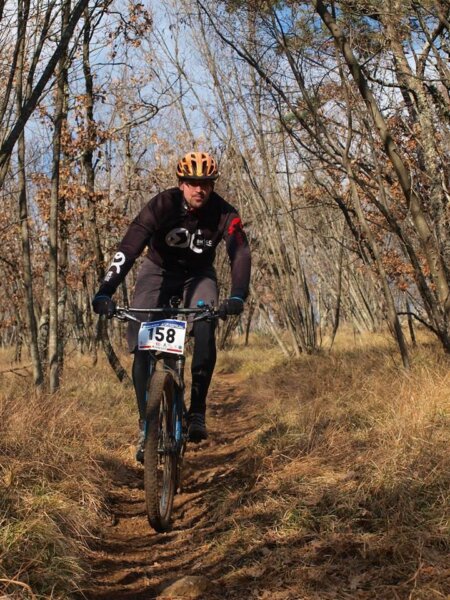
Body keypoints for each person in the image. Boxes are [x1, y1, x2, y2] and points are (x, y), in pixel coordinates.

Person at [92, 151, 251, 461]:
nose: (199, 189)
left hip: (198, 275)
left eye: (206, 183)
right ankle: (146, 427)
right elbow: (129, 247)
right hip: (158, 271)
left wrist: (237, 296)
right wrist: (105, 291)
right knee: (141, 339)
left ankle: (197, 411)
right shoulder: (162, 205)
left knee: (204, 324)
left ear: (212, 185)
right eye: (192, 182)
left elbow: (240, 252)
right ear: (181, 184)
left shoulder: (224, 213)